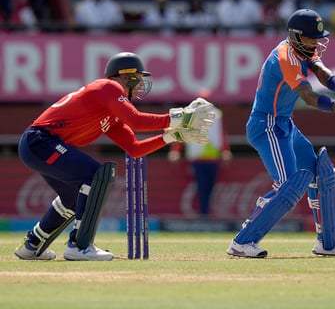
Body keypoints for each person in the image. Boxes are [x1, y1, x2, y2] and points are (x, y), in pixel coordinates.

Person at [14, 52, 214, 261]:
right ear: (126, 76)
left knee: (72, 199)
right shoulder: (108, 87)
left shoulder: (111, 112)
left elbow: (134, 148)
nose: (140, 85)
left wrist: (173, 136)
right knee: (94, 175)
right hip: (39, 141)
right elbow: (136, 120)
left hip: (41, 145)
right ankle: (79, 245)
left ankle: (31, 246)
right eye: (138, 78)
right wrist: (179, 116)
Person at [226, 9, 335, 258]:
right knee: (288, 186)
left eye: (318, 38)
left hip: (285, 124)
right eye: (310, 38)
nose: (316, 42)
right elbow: (309, 97)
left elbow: (321, 71)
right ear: (295, 36)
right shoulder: (286, 56)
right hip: (267, 125)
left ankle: (328, 243)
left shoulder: (304, 49)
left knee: (321, 174)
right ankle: (242, 242)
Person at [168, 90, 232, 217]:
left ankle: (205, 212)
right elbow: (182, 133)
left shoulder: (217, 115)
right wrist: (175, 151)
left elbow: (221, 134)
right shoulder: (190, 115)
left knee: (210, 187)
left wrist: (225, 151)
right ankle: (203, 212)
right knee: (202, 186)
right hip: (197, 158)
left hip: (212, 158)